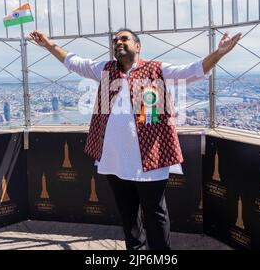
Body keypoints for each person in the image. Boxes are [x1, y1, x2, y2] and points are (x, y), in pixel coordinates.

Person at [29, 28, 241, 250]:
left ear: (137, 46)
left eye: (124, 39)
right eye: (114, 40)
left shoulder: (157, 70)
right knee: (128, 216)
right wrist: (49, 45)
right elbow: (74, 62)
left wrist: (219, 53)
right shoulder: (104, 70)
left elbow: (192, 71)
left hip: (150, 159)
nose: (117, 42)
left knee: (155, 215)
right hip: (114, 159)